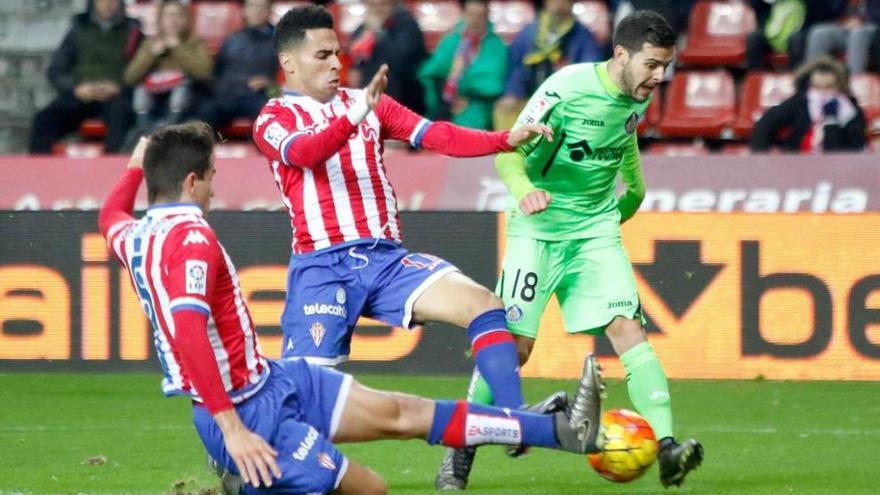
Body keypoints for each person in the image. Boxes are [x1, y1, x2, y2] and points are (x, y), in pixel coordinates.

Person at [98, 122, 605, 494]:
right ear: (191, 182)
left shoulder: (136, 237)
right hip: (244, 414)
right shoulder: (191, 240)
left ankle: (562, 432)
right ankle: (244, 482)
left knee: (404, 412)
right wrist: (232, 429)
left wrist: (130, 167)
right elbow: (188, 334)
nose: (215, 184)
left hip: (274, 380)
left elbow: (110, 215)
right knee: (371, 489)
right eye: (210, 175)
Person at [435, 11, 704, 490]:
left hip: (595, 231)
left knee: (628, 329)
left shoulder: (636, 97)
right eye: (652, 64)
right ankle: (460, 453)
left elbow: (623, 143)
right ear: (621, 54)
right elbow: (508, 150)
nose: (659, 76)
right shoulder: (567, 86)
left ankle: (666, 447)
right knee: (513, 349)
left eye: (665, 66)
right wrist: (523, 192)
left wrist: (632, 196)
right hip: (537, 229)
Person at [252, 4, 557, 417]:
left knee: (485, 305)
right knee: (303, 404)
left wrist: (505, 139)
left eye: (337, 53)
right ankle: (247, 453)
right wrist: (356, 113)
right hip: (322, 267)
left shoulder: (369, 102)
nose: (335, 63)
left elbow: (438, 135)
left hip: (385, 261)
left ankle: (514, 418)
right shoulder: (274, 118)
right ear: (288, 63)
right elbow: (307, 153)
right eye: (321, 55)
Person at [29, 0, 142, 154]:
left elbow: (142, 70)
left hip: (117, 96)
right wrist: (76, 88)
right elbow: (55, 70)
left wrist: (120, 86)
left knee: (121, 118)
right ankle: (40, 171)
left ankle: (113, 172)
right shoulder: (78, 28)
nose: (108, 4)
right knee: (44, 119)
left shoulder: (133, 30)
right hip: (81, 94)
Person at [493, 0, 603, 130]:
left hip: (566, 100)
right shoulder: (529, 32)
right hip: (531, 97)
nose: (559, 4)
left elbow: (590, 73)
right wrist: (513, 93)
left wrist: (570, 73)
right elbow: (517, 69)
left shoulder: (582, 36)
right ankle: (512, 147)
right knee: (505, 107)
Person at [124, 0, 212, 135]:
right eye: (169, 16)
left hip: (187, 100)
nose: (174, 20)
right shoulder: (150, 43)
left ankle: (169, 135)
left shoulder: (195, 42)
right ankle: (147, 133)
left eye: (179, 16)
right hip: (153, 100)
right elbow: (130, 77)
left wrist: (178, 48)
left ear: (187, 20)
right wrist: (151, 54)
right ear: (160, 20)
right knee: (140, 91)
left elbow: (204, 73)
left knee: (181, 89)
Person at [417, 0, 508, 130]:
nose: (474, 21)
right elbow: (430, 72)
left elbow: (492, 83)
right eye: (471, 15)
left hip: (480, 107)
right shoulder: (451, 40)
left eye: (480, 16)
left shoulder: (496, 46)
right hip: (445, 105)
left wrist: (463, 88)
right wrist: (448, 98)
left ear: (487, 16)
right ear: (463, 14)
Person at [750, 56, 867, 153]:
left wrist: (831, 122)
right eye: (817, 87)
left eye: (829, 87)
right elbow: (766, 124)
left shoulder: (852, 113)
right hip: (797, 167)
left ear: (840, 87)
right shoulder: (800, 102)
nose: (822, 93)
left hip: (838, 171)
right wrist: (762, 158)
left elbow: (850, 150)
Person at [198, 0, 279, 130]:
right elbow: (217, 72)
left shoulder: (279, 41)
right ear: (244, 11)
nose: (257, 11)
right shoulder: (232, 40)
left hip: (259, 96)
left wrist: (270, 83)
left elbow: (289, 77)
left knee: (267, 116)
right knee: (204, 112)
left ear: (270, 10)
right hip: (228, 95)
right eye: (252, 6)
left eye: (262, 7)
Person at [347, 0, 428, 114]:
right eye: (372, 5)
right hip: (370, 98)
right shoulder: (363, 28)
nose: (377, 10)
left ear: (392, 5)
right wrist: (354, 68)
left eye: (382, 5)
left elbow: (398, 59)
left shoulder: (407, 25)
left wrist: (378, 32)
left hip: (403, 100)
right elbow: (355, 54)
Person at [804, 0, 880, 74]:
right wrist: (843, 22)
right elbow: (833, 12)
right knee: (819, 33)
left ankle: (854, 79)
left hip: (872, 29)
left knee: (858, 34)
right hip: (846, 28)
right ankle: (813, 77)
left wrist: (862, 21)